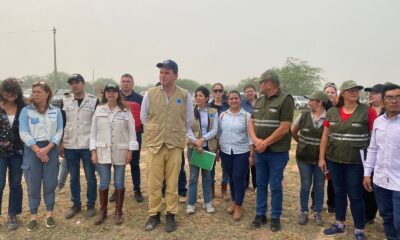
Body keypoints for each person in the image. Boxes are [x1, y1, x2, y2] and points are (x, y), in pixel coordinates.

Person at [319, 80, 377, 240]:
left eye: (356, 90)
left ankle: (359, 228)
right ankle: (339, 224)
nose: (354, 92)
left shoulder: (368, 111)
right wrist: (321, 158)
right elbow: (325, 136)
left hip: (356, 163)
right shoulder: (332, 112)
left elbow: (375, 137)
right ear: (342, 93)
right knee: (338, 192)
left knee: (355, 195)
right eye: (350, 90)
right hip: (334, 159)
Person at [141, 59, 193, 233]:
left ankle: (171, 214)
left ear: (175, 75)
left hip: (174, 145)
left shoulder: (185, 95)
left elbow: (188, 121)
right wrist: (157, 131)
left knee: (172, 183)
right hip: (155, 145)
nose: (163, 75)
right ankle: (154, 214)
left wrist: (174, 132)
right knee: (153, 182)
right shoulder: (150, 93)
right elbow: (144, 117)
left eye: (167, 72)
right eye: (161, 72)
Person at [248, 69, 294, 232]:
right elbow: (251, 122)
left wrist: (265, 143)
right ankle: (260, 214)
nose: (259, 85)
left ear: (268, 83)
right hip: (261, 151)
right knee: (260, 185)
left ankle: (275, 217)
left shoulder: (285, 99)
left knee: (275, 186)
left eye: (261, 82)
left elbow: (285, 127)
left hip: (276, 152)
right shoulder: (260, 101)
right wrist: (255, 140)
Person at [90, 83, 138, 225]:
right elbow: (93, 134)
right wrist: (93, 152)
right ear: (104, 94)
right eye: (108, 91)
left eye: (113, 91)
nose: (111, 94)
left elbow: (132, 133)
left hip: (120, 151)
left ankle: (118, 211)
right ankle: (103, 211)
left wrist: (130, 151)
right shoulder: (99, 110)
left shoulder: (125, 110)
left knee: (119, 182)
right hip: (102, 151)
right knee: (104, 181)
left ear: (118, 93)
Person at [19, 81, 63, 231]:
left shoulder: (56, 111)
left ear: (47, 93)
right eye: (34, 92)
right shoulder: (26, 111)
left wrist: (48, 148)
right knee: (33, 184)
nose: (35, 94)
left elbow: (59, 131)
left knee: (50, 183)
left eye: (38, 92)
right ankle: (33, 216)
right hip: (32, 151)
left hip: (51, 149)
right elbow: (23, 132)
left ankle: (49, 214)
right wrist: (38, 150)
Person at [363, 84, 400, 240]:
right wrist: (367, 174)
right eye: (390, 97)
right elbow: (373, 149)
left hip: (399, 183)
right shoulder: (378, 122)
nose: (394, 101)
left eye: (398, 97)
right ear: (383, 102)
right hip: (380, 180)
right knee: (387, 217)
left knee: (399, 222)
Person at [61, 74, 98, 219]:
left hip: (88, 144)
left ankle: (91, 205)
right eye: (72, 83)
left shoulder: (94, 101)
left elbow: (97, 125)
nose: (74, 86)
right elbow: (63, 124)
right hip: (70, 144)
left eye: (77, 82)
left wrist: (96, 146)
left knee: (90, 176)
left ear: (83, 84)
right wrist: (61, 143)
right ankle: (76, 205)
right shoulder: (65, 101)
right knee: (73, 177)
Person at [291, 90, 329, 226]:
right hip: (303, 158)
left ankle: (318, 212)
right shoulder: (303, 115)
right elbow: (293, 131)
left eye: (311, 100)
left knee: (319, 185)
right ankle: (304, 211)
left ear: (320, 102)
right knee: (305, 184)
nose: (309, 102)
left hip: (322, 159)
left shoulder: (329, 117)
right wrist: (301, 143)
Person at [219, 90, 254, 221]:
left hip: (242, 151)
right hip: (225, 151)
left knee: (239, 177)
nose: (233, 101)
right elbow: (219, 133)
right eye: (231, 99)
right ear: (228, 101)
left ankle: (239, 206)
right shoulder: (222, 115)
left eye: (236, 98)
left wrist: (252, 154)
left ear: (240, 100)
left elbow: (251, 136)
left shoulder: (247, 116)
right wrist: (217, 149)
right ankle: (234, 201)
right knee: (231, 177)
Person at [110, 73, 144, 203]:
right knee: (118, 164)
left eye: (128, 81)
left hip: (135, 136)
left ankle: (137, 190)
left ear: (133, 83)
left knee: (135, 163)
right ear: (120, 83)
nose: (126, 83)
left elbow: (145, 115)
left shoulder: (140, 98)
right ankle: (117, 189)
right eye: (123, 81)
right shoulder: (115, 97)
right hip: (118, 136)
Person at [186, 86, 218, 214]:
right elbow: (187, 129)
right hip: (193, 148)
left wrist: (202, 139)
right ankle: (191, 203)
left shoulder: (213, 112)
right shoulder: (190, 112)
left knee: (207, 176)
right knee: (193, 176)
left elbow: (215, 130)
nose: (198, 98)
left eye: (200, 95)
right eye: (196, 95)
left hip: (207, 148)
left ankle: (207, 202)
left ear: (206, 98)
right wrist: (196, 142)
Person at [0, 78, 25, 231]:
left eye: (13, 93)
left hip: (18, 153)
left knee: (15, 184)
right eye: (7, 92)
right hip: (0, 153)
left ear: (17, 93)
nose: (10, 95)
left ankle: (13, 215)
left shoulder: (23, 107)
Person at [362, 83, 385, 225]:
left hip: (384, 156)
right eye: (370, 92)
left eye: (375, 92)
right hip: (366, 153)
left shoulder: (389, 112)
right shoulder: (364, 110)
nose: (371, 94)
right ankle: (368, 215)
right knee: (367, 183)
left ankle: (386, 214)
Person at [208, 83, 229, 200]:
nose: (217, 93)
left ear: (223, 92)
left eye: (219, 90)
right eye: (215, 91)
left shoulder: (227, 105)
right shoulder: (208, 106)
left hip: (225, 138)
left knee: (225, 165)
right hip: (211, 138)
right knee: (210, 164)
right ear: (212, 92)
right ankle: (211, 190)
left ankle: (224, 189)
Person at [241, 84, 257, 191]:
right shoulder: (242, 104)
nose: (249, 93)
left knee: (256, 161)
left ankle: (256, 184)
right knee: (246, 159)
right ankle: (245, 183)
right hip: (246, 135)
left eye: (251, 91)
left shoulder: (261, 103)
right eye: (247, 91)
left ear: (255, 92)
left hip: (258, 135)